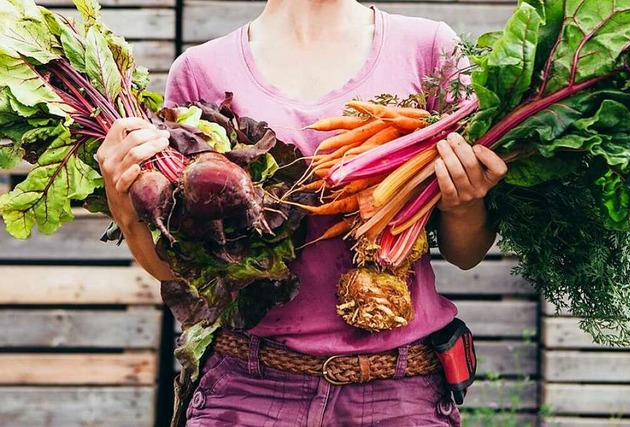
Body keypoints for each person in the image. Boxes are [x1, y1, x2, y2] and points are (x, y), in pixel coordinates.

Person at [96, 0, 508, 425]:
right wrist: (124, 208)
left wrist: (464, 203)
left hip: (398, 393)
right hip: (247, 391)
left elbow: (467, 253)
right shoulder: (201, 70)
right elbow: (181, 271)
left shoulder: (429, 49)